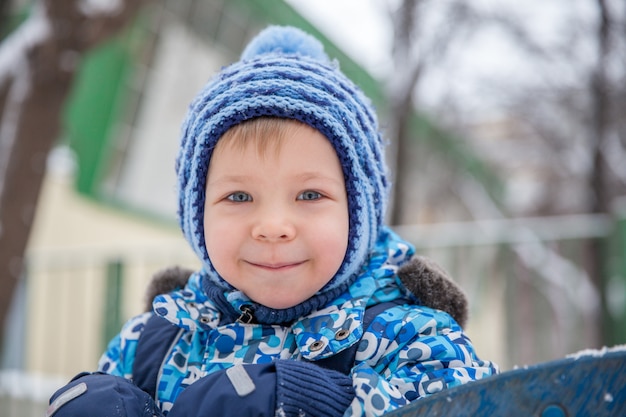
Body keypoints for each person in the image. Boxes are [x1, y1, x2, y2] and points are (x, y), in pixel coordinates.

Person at [47, 25, 498, 417]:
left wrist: (319, 402)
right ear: (197, 215)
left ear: (358, 214)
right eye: (239, 196)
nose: (273, 225)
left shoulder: (404, 333)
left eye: (309, 194)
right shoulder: (155, 342)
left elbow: (477, 404)